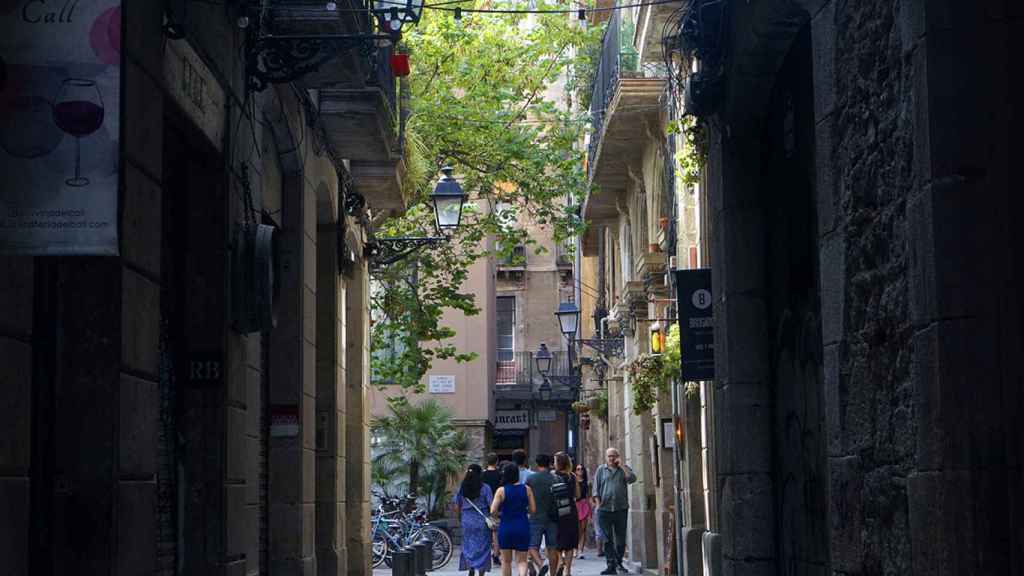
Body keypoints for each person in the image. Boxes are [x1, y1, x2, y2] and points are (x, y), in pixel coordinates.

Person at [593, 448, 636, 575]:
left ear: (617, 456)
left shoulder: (623, 469)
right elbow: (596, 489)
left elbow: (632, 478)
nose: (611, 458)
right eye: (609, 456)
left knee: (620, 539)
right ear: (606, 457)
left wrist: (622, 465)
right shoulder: (601, 470)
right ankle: (610, 564)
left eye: (613, 456)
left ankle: (618, 562)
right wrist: (597, 505)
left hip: (620, 508)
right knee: (607, 539)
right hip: (604, 509)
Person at [492, 462, 536, 576]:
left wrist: (499, 515)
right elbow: (533, 509)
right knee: (522, 561)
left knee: (506, 561)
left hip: (506, 526)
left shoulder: (501, 490)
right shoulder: (527, 489)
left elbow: (492, 510)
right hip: (522, 525)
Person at [455, 464, 495, 575]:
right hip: (482, 521)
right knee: (483, 546)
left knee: (468, 545)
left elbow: (457, 505)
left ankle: (471, 567)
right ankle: (481, 571)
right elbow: (491, 505)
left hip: (467, 520)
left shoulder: (462, 488)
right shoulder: (485, 488)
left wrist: (460, 517)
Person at [525, 454, 559, 576]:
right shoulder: (556, 479)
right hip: (552, 517)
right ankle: (553, 573)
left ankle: (541, 563)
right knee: (552, 548)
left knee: (532, 546)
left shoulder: (531, 479)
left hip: (535, 516)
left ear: (537, 464)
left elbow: (526, 497)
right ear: (549, 463)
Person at [552, 452, 580, 576]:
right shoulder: (572, 476)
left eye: (554, 461)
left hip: (557, 510)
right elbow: (577, 495)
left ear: (558, 463)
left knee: (558, 539)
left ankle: (560, 562)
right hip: (570, 510)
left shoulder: (552, 476)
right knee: (570, 541)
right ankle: (567, 571)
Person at [481, 454, 503, 566]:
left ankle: (485, 554)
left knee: (486, 531)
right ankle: (496, 554)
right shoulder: (500, 475)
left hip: (484, 506)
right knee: (496, 531)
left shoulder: (482, 475)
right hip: (497, 506)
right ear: (497, 462)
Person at [574, 463, 592, 558]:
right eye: (578, 469)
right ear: (575, 471)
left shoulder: (587, 483)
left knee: (583, 529)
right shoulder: (573, 481)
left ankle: (581, 550)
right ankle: (575, 549)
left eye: (581, 469)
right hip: (576, 505)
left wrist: (591, 510)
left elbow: (589, 496)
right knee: (577, 529)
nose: (580, 470)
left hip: (584, 505)